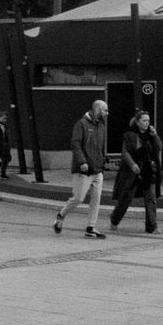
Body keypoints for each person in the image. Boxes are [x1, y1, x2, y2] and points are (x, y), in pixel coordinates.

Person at [54, 99, 108, 238]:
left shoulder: (101, 126)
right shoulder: (81, 124)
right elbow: (76, 144)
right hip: (83, 169)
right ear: (97, 110)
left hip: (97, 169)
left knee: (96, 199)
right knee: (78, 198)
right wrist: (82, 162)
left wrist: (102, 161)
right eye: (105, 110)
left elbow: (99, 147)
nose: (107, 113)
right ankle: (61, 215)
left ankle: (91, 228)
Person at [109, 109, 160, 234]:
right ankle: (114, 219)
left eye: (148, 121)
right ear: (137, 122)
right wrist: (132, 165)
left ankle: (151, 226)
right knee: (127, 198)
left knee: (151, 198)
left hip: (148, 171)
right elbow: (125, 152)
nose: (147, 123)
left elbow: (159, 148)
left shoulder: (150, 135)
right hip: (133, 172)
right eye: (144, 121)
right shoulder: (129, 134)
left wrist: (155, 135)